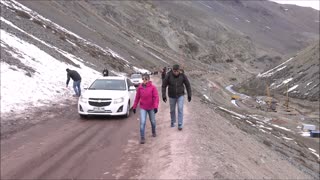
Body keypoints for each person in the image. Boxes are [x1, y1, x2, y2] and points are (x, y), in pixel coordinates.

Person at [162, 64, 191, 130]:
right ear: (172, 70)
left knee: (180, 108)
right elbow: (164, 85)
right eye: (174, 71)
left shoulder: (182, 75)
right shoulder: (168, 75)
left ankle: (180, 124)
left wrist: (189, 95)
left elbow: (188, 85)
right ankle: (173, 121)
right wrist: (164, 95)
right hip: (172, 96)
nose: (175, 72)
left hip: (180, 95)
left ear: (179, 70)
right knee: (172, 110)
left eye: (177, 71)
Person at [133, 73, 159, 144]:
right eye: (143, 79)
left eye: (146, 79)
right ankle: (142, 137)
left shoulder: (153, 87)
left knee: (153, 121)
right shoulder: (140, 88)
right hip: (143, 108)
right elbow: (137, 98)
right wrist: (134, 107)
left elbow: (156, 97)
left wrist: (155, 107)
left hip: (151, 108)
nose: (144, 80)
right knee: (142, 122)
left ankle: (153, 132)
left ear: (148, 79)